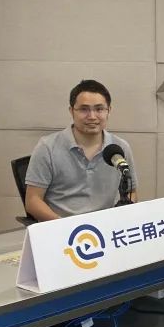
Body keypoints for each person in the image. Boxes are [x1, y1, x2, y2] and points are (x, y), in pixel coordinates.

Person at [25, 79, 138, 221]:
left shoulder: (120, 148)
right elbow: (33, 201)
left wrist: (118, 219)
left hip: (105, 227)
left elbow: (131, 192)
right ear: (71, 111)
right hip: (63, 226)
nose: (92, 116)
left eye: (99, 109)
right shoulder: (47, 147)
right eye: (84, 109)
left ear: (109, 110)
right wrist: (65, 227)